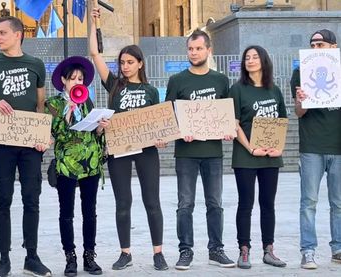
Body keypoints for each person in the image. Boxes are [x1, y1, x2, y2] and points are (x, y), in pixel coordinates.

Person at [89, 7, 168, 271]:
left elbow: (157, 122)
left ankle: (158, 253)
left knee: (152, 201)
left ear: (140, 64)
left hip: (146, 150)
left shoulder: (150, 90)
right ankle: (126, 252)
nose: (125, 66)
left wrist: (160, 138)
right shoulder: (114, 85)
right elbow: (94, 54)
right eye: (122, 62)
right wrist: (94, 22)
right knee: (123, 202)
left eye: (130, 62)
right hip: (119, 150)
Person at [0, 16, 51, 277]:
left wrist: (43, 134)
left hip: (30, 144)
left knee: (32, 200)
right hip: (2, 144)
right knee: (3, 200)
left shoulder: (35, 64)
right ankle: (4, 258)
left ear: (18, 35)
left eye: (2, 33)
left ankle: (32, 256)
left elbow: (40, 104)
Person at [165, 29, 235, 270]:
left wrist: (227, 129)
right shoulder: (177, 81)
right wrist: (178, 130)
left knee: (215, 203)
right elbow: (169, 116)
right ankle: (185, 250)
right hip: (186, 153)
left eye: (198, 48)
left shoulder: (221, 80)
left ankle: (216, 249)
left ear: (208, 50)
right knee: (185, 204)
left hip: (213, 152)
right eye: (190, 49)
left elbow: (227, 113)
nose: (194, 53)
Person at [46, 56, 109, 276]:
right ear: (63, 80)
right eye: (72, 78)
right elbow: (57, 135)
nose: (76, 82)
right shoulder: (53, 105)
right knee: (67, 212)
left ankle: (89, 256)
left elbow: (94, 134)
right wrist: (68, 113)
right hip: (66, 164)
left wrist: (101, 129)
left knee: (89, 212)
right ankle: (70, 256)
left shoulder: (88, 101)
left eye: (80, 78)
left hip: (90, 163)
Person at [229, 45, 288, 269]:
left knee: (268, 204)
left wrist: (279, 148)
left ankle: (269, 250)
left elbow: (282, 121)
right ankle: (244, 251)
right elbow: (234, 125)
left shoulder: (274, 90)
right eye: (247, 58)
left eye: (255, 57)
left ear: (264, 60)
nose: (251, 60)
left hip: (271, 157)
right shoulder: (238, 89)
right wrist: (251, 148)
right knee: (245, 204)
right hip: (246, 157)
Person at [292, 29, 341, 269]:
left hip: (338, 147)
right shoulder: (300, 73)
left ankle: (338, 248)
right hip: (312, 146)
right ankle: (308, 250)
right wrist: (301, 100)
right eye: (312, 44)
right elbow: (298, 112)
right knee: (308, 201)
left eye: (320, 44)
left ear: (333, 47)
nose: (315, 48)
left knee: (339, 202)